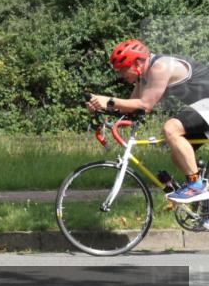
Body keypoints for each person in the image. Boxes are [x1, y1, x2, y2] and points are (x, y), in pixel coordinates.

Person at [87, 38, 209, 204]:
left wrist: (108, 100)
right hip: (203, 106)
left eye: (122, 69)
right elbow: (131, 107)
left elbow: (145, 105)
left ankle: (196, 185)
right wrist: (102, 107)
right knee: (179, 156)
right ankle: (205, 198)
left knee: (171, 128)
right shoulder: (143, 76)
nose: (120, 75)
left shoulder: (160, 67)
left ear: (137, 63)